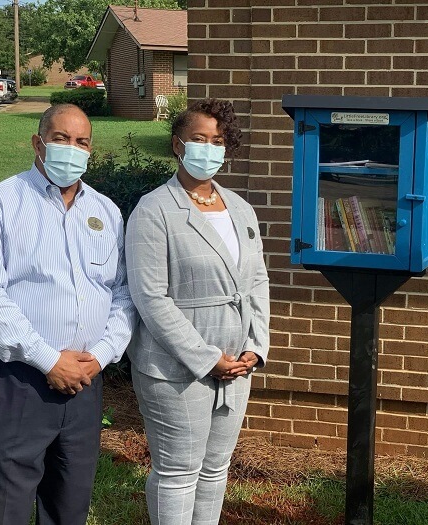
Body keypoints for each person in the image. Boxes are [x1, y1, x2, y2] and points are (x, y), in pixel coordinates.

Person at [0, 103, 136, 525]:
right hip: (14, 381)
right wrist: (48, 359)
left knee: (69, 506)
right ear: (38, 143)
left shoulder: (107, 213)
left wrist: (103, 353)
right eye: (61, 139)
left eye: (82, 142)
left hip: (84, 384)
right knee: (3, 508)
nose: (71, 149)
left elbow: (123, 293)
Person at [125, 98, 270, 525]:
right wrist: (207, 359)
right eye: (199, 139)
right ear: (177, 145)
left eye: (219, 141)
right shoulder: (153, 211)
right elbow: (150, 298)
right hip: (176, 368)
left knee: (215, 469)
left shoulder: (241, 209)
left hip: (236, 365)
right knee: (178, 471)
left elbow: (257, 280)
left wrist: (256, 348)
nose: (210, 149)